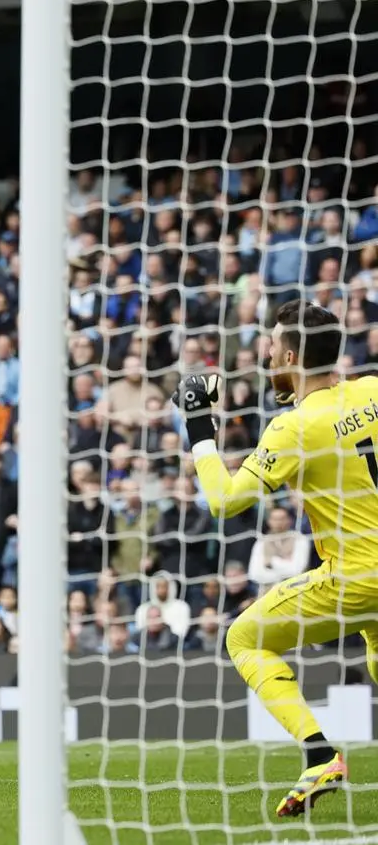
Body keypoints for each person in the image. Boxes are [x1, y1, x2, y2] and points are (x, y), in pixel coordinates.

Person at [176, 300, 368, 817]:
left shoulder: (294, 427)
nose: (265, 359)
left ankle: (319, 754)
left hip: (356, 577)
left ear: (288, 356)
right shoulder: (374, 390)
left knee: (244, 637)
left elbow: (225, 501)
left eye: (269, 350)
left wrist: (198, 425)